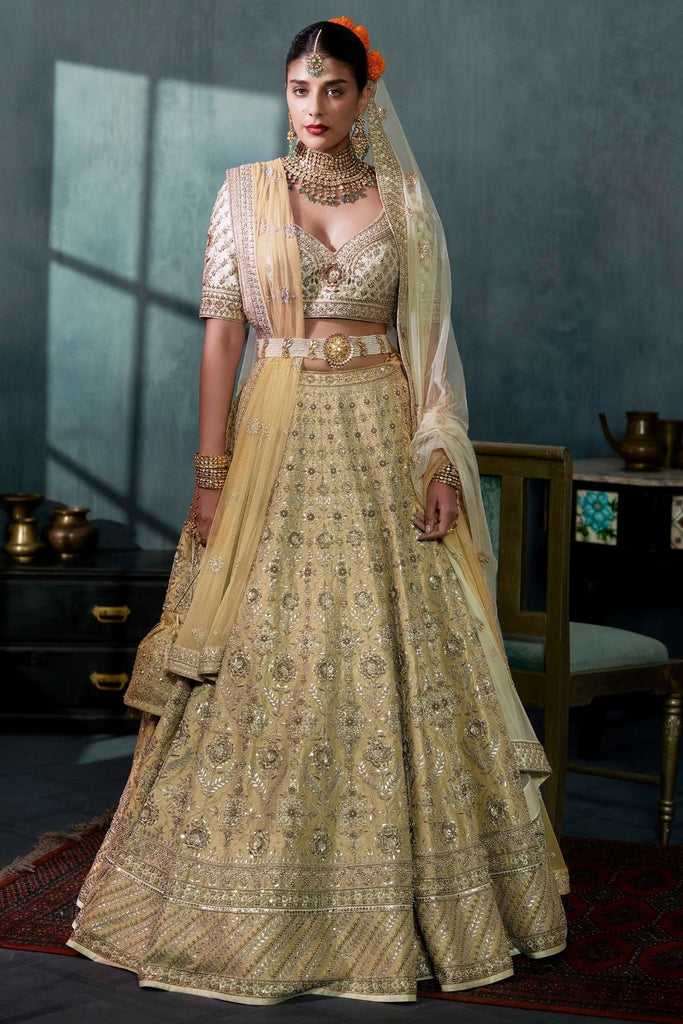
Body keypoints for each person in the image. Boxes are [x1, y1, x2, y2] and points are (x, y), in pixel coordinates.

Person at [68, 18, 568, 1004]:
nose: (314, 107)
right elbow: (221, 341)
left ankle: (400, 897)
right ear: (285, 92)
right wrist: (210, 472)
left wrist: (437, 462)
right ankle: (251, 897)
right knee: (266, 651)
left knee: (385, 653)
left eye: (333, 89)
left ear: (362, 96)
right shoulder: (245, 193)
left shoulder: (405, 200)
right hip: (274, 444)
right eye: (300, 88)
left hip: (381, 437)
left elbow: (430, 350)